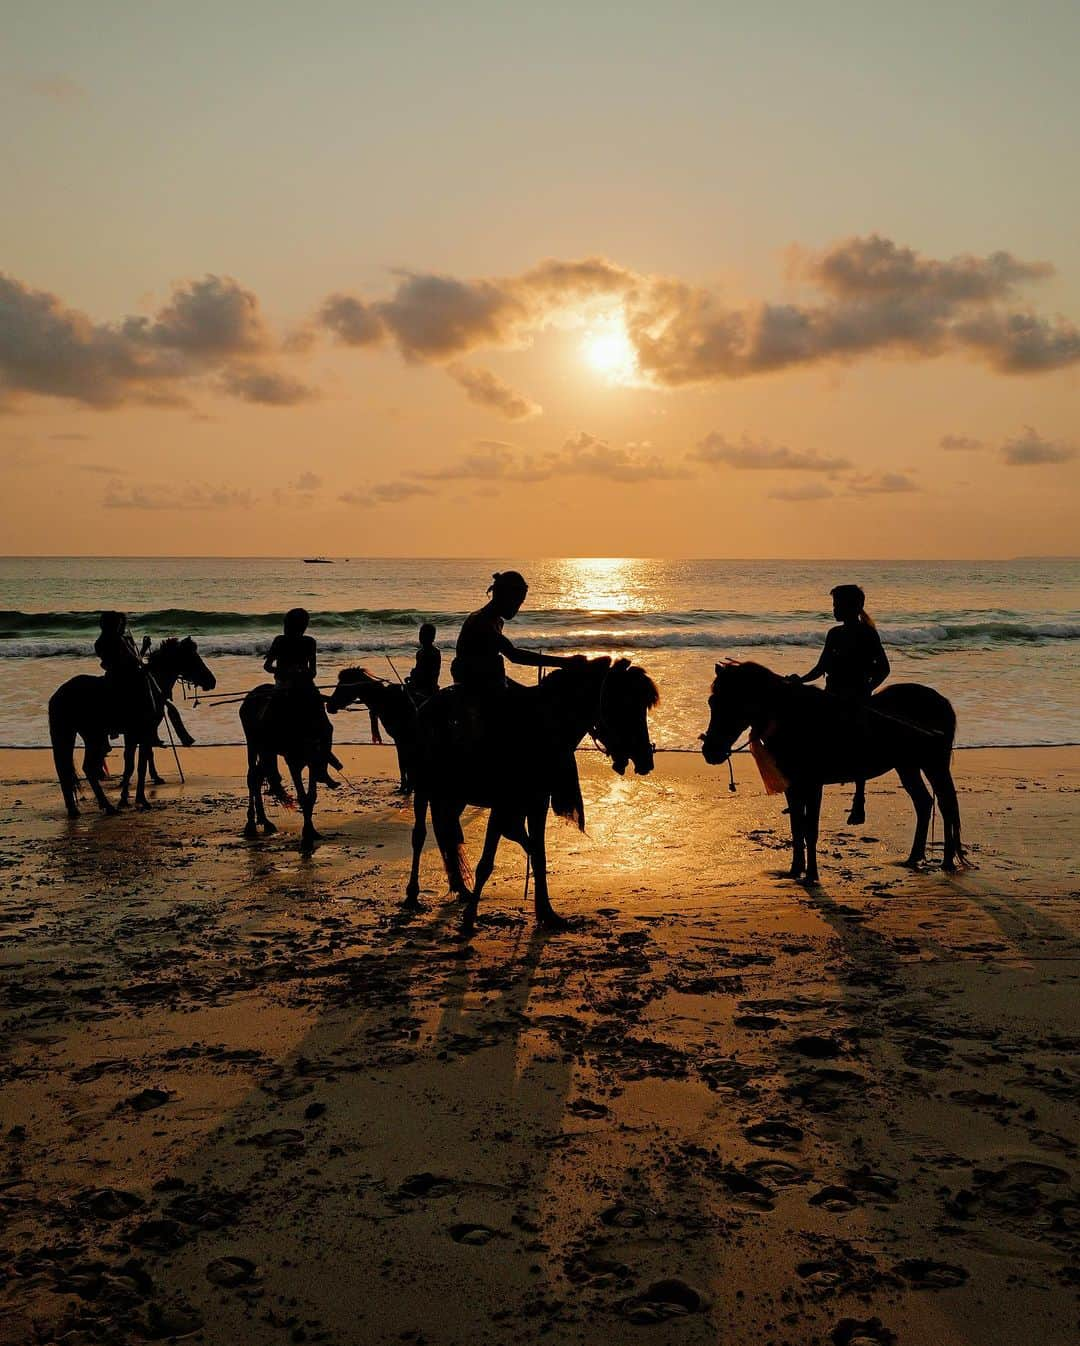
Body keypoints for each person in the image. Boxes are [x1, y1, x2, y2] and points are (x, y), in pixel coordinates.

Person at [790, 584, 890, 825]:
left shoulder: (867, 634)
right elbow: (820, 668)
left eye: (837, 605)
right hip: (831, 694)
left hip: (857, 697)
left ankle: (859, 798)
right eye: (834, 605)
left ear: (853, 607)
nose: (834, 609)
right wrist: (799, 680)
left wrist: (866, 689)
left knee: (857, 735)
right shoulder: (834, 634)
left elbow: (883, 669)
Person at [262, 608, 340, 784]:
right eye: (302, 624)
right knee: (269, 721)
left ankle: (322, 769)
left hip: (306, 687)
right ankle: (268, 757)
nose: (303, 627)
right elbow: (267, 666)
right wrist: (285, 671)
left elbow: (313, 672)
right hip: (283, 686)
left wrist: (301, 673)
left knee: (327, 728)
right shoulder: (280, 641)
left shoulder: (309, 642)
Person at [95, 611, 154, 737]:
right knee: (147, 685)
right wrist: (144, 647)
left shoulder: (100, 641)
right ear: (113, 625)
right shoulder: (118, 640)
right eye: (119, 624)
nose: (121, 627)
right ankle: (147, 726)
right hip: (124, 676)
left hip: (111, 675)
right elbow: (135, 661)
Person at [406, 622, 441, 700]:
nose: (420, 637)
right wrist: (412, 676)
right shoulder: (419, 652)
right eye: (420, 634)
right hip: (418, 685)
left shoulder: (434, 652)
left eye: (424, 634)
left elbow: (432, 674)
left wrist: (415, 678)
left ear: (432, 637)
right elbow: (418, 669)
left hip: (428, 688)